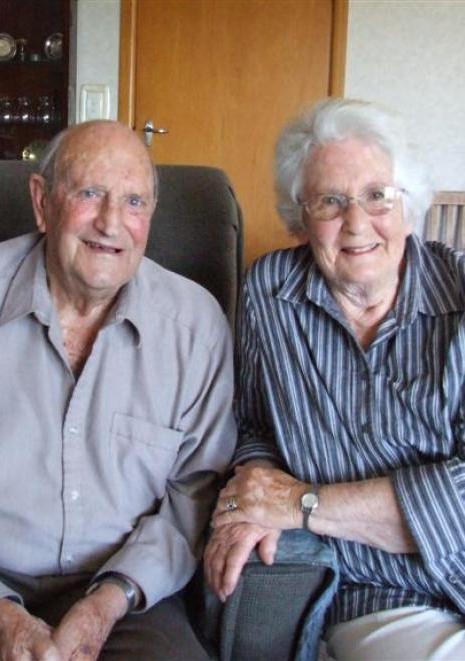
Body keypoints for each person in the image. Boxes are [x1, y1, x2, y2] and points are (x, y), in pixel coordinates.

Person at [204, 98, 465, 660]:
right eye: (330, 201)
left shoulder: (460, 295)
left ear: (409, 206)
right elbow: (254, 422)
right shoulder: (272, 295)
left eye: (377, 196)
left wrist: (299, 503)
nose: (356, 223)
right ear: (301, 218)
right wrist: (251, 490)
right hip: (389, 599)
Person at [0, 120, 236, 660]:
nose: (112, 222)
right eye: (90, 193)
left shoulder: (194, 327)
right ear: (43, 203)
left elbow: (195, 493)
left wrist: (110, 601)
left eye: (134, 201)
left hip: (126, 600)